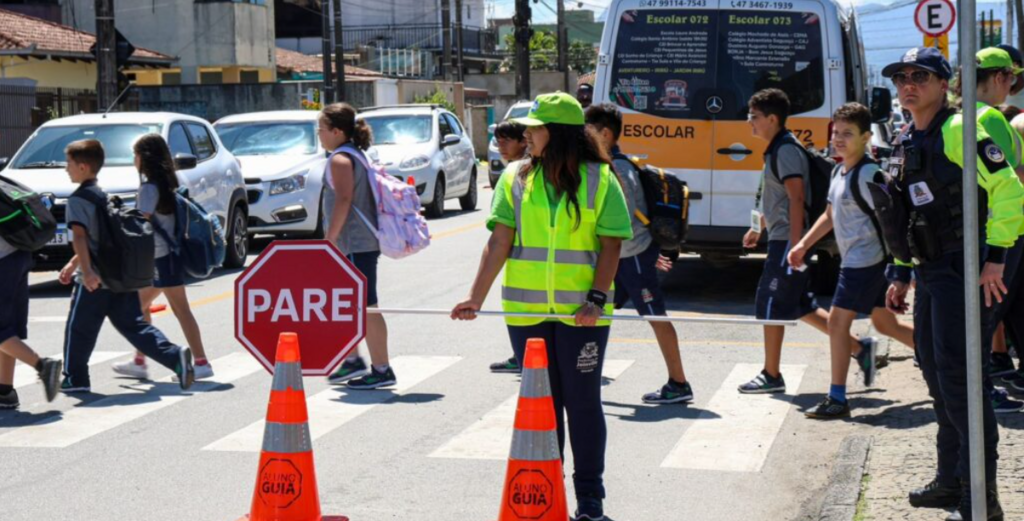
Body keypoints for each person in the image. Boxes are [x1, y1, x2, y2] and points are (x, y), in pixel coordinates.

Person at [452, 91, 632, 520]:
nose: (527, 134)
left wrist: (596, 298)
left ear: (558, 133)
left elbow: (611, 247)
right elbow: (499, 242)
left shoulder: (601, 178)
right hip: (525, 312)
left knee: (583, 403)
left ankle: (590, 499)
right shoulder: (514, 176)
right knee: (543, 405)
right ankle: (544, 493)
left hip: (582, 313)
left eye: (535, 127)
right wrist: (474, 297)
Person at [881, 47, 1024, 520]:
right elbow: (903, 213)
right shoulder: (906, 135)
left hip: (967, 270)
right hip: (930, 270)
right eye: (901, 77)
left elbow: (1009, 189)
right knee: (937, 376)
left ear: (944, 84)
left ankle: (982, 496)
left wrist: (996, 259)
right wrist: (901, 272)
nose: (908, 84)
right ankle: (950, 479)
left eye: (920, 75)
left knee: (962, 380)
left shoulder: (960, 128)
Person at [739, 88, 878, 395]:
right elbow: (777, 199)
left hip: (787, 241)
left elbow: (797, 197)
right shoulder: (777, 148)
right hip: (783, 237)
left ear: (772, 119)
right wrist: (759, 226)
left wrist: (794, 245)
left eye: (754, 117)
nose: (750, 123)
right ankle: (859, 349)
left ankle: (771, 374)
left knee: (772, 303)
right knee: (800, 305)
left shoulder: (785, 150)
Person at [787, 103, 915, 419]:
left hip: (866, 262)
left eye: (847, 134)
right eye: (836, 133)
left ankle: (837, 398)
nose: (839, 139)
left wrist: (902, 267)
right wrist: (803, 244)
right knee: (886, 324)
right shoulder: (837, 169)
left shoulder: (871, 174)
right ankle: (942, 359)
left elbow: (896, 220)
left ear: (867, 137)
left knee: (836, 323)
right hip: (859, 261)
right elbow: (830, 214)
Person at [57, 139, 194, 393]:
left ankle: (76, 378)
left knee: (79, 329)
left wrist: (84, 270)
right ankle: (175, 357)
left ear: (84, 167)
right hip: (119, 275)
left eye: (69, 164)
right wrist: (72, 263)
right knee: (135, 326)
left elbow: (80, 236)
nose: (66, 169)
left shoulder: (77, 200)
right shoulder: (105, 197)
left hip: (94, 277)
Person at [584, 102, 693, 404]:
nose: (584, 135)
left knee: (655, 315)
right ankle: (585, 375)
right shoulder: (613, 165)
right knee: (593, 310)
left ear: (605, 133)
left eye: (588, 129)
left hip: (633, 255)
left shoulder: (618, 169)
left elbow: (623, 217)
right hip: (621, 257)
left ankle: (679, 382)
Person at [953, 48, 1024, 413]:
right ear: (999, 77)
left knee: (1006, 310)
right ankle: (980, 391)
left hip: (991, 230)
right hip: (1003, 233)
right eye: (1011, 77)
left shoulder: (962, 116)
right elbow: (1010, 180)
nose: (1012, 85)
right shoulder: (991, 118)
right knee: (988, 315)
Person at [110, 134, 214, 382]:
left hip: (158, 258)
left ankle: (200, 362)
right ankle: (140, 360)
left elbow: (141, 219)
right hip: (165, 256)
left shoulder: (148, 188)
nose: (133, 160)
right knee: (145, 307)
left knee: (158, 309)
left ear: (144, 158)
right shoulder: (167, 184)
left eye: (135, 155)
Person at [318, 103, 393, 390]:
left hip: (353, 243)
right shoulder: (354, 154)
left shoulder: (340, 159)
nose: (319, 136)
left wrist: (330, 240)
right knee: (349, 305)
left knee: (366, 306)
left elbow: (344, 200)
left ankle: (382, 368)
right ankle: (351, 360)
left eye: (321, 130)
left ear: (337, 131)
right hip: (357, 243)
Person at [488, 120, 531, 374]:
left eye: (506, 140)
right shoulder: (515, 170)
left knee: (520, 308)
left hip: (523, 254)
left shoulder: (521, 171)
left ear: (523, 141)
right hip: (518, 255)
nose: (501, 145)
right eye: (498, 140)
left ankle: (522, 353)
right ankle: (520, 353)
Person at [0, 234, 62, 409]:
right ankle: (5, 392)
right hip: (19, 254)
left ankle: (43, 365)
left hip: (3, 259)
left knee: (2, 330)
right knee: (7, 327)